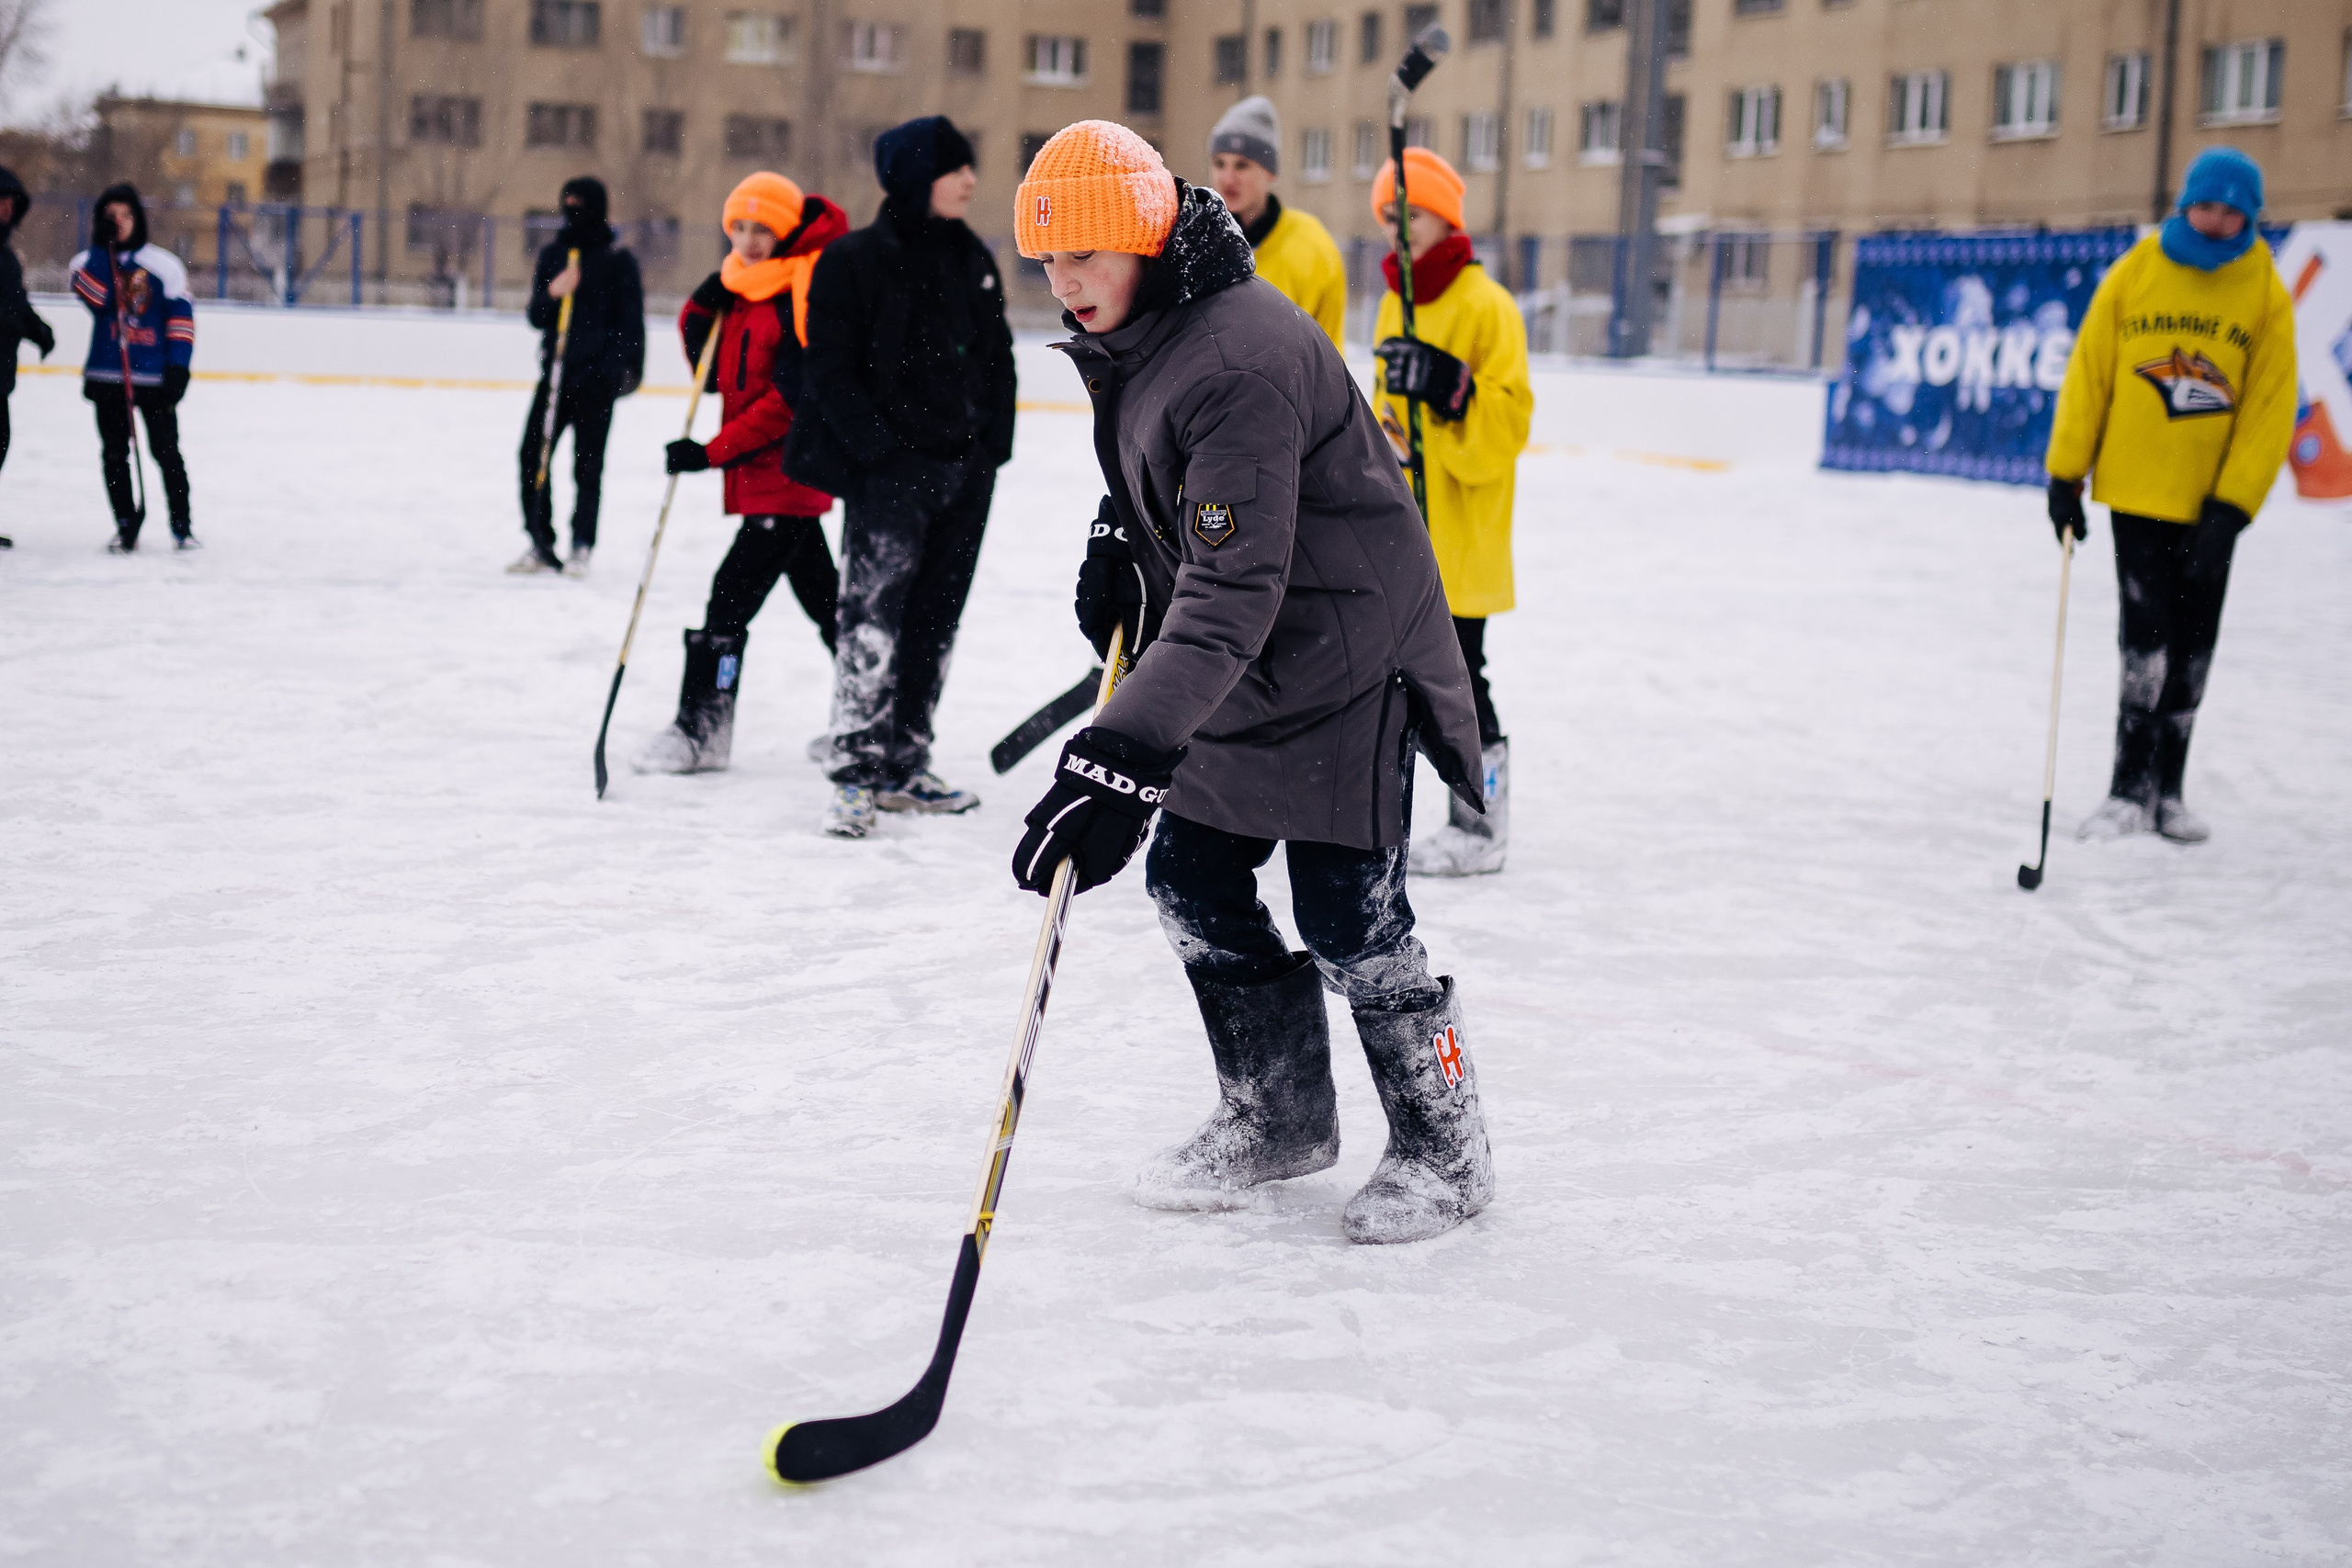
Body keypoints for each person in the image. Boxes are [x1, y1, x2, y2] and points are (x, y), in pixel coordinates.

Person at [1008, 121, 1495, 1246]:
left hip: (1340, 657)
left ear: (1144, 237)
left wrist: (1120, 750)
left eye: (1084, 253)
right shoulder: (1149, 323)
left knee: (1349, 921)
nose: (1064, 282)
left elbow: (1232, 585)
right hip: (1244, 660)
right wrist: (1122, 537)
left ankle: (1444, 1145)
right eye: (1047, 258)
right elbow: (1184, 488)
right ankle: (1277, 1114)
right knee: (1190, 883)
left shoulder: (1235, 356)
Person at [2046, 146, 2296, 846]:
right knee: (2145, 642)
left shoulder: (2264, 291)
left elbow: (2270, 407)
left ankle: (2169, 793)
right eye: (2206, 205)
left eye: (2232, 211)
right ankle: (2127, 789)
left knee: (2192, 648)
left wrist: (2234, 506)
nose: (2216, 220)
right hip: (2137, 493)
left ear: (2250, 216)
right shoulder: (2137, 271)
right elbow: (2091, 373)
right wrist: (2066, 473)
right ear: (2186, 204)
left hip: (2210, 507)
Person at [786, 115, 1015, 838]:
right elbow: (828, 369)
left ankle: (906, 763)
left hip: (964, 473)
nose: (971, 180)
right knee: (870, 622)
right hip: (891, 477)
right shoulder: (853, 260)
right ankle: (855, 773)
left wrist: (992, 448)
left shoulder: (973, 256)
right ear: (918, 175)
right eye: (956, 167)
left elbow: (997, 355)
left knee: (934, 623)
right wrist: (880, 454)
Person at [635, 172, 850, 775]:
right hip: (764, 479)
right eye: (740, 227)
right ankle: (869, 722)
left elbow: (788, 402)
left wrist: (712, 452)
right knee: (831, 608)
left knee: (727, 604)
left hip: (786, 477)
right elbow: (714, 379)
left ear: (785, 233)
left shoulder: (795, 292)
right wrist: (699, 310)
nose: (750, 240)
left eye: (764, 229)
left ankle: (700, 731)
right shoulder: (745, 293)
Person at [1366, 149, 1532, 876]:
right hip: (1403, 531)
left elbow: (1509, 423)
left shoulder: (1486, 305)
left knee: (1459, 681)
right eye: (1387, 217)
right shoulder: (1391, 304)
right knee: (1389, 682)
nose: (1398, 229)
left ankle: (1480, 822)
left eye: (1413, 214)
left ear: (1446, 218)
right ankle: (1379, 814)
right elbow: (1384, 416)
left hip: (1461, 533)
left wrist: (1451, 388)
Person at [511, 176, 644, 577]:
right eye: (567, 204)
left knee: (587, 466)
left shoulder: (618, 260)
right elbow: (537, 316)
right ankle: (540, 541)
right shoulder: (555, 255)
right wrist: (553, 292)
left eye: (580, 205)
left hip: (596, 382)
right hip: (556, 376)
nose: (573, 212)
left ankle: (581, 544)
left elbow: (630, 327)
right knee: (532, 455)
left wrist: (616, 373)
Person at [69, 184, 195, 553]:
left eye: (126, 215)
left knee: (167, 452)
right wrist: (101, 248)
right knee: (114, 453)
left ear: (138, 218)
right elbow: (98, 299)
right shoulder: (84, 263)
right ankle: (125, 525)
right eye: (111, 217)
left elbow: (180, 320)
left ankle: (182, 526)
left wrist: (178, 368)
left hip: (154, 377)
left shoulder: (164, 265)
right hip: (108, 374)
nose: (120, 222)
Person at [1204, 96, 1347, 350]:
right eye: (1219, 163)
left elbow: (1329, 352)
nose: (1227, 178)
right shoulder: (1199, 243)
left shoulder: (1312, 246)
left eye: (1242, 165)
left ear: (1270, 171)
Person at [0, 164, 55, 549]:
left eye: (10, 202)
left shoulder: (7, 256)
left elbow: (16, 304)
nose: (5, 209)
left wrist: (38, 330)